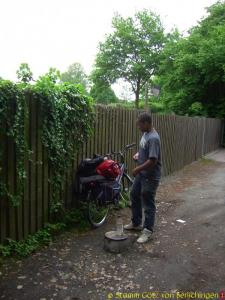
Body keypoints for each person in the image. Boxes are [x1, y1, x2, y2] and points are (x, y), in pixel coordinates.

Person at [124, 112, 161, 243]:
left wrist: (138, 168)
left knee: (148, 202)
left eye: (140, 124)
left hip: (150, 176)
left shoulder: (154, 138)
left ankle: (147, 231)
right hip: (142, 175)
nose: (138, 127)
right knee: (134, 194)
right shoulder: (146, 134)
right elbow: (145, 150)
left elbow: (153, 160)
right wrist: (138, 155)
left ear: (146, 123)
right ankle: (136, 223)